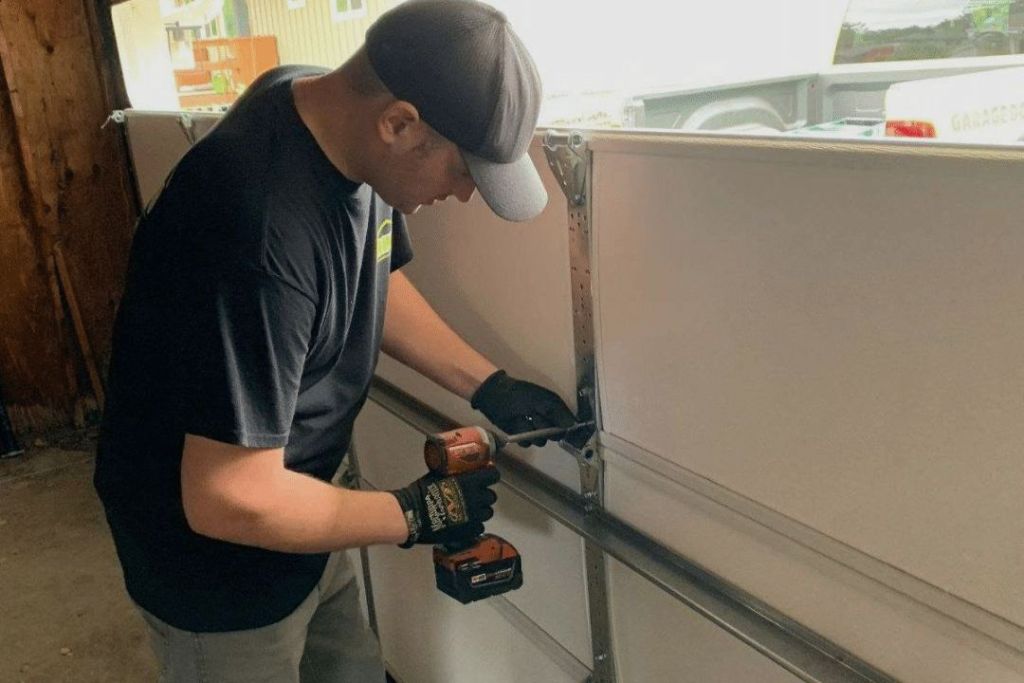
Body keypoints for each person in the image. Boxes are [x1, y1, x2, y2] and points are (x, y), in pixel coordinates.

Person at [93, 1, 577, 680]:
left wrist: (486, 382)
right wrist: (414, 512)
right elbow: (230, 498)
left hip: (301, 509)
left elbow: (365, 273)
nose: (464, 195)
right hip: (215, 564)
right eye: (462, 171)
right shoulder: (254, 229)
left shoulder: (324, 116)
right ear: (400, 123)